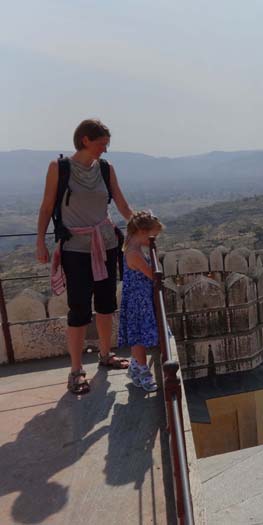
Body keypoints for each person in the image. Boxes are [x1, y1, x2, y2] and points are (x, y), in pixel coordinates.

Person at [36, 119, 133, 395]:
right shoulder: (60, 168)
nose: (105, 148)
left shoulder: (105, 169)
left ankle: (105, 355)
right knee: (78, 309)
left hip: (107, 243)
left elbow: (122, 205)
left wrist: (143, 227)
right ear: (86, 140)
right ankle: (76, 371)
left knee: (105, 304)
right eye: (102, 143)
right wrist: (40, 242)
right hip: (76, 249)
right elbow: (45, 208)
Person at [118, 211, 164, 392]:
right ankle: (144, 371)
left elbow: (132, 228)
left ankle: (136, 367)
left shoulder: (130, 242)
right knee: (139, 338)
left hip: (137, 299)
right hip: (139, 301)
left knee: (138, 335)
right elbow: (152, 275)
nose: (154, 240)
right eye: (153, 235)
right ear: (142, 232)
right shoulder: (135, 254)